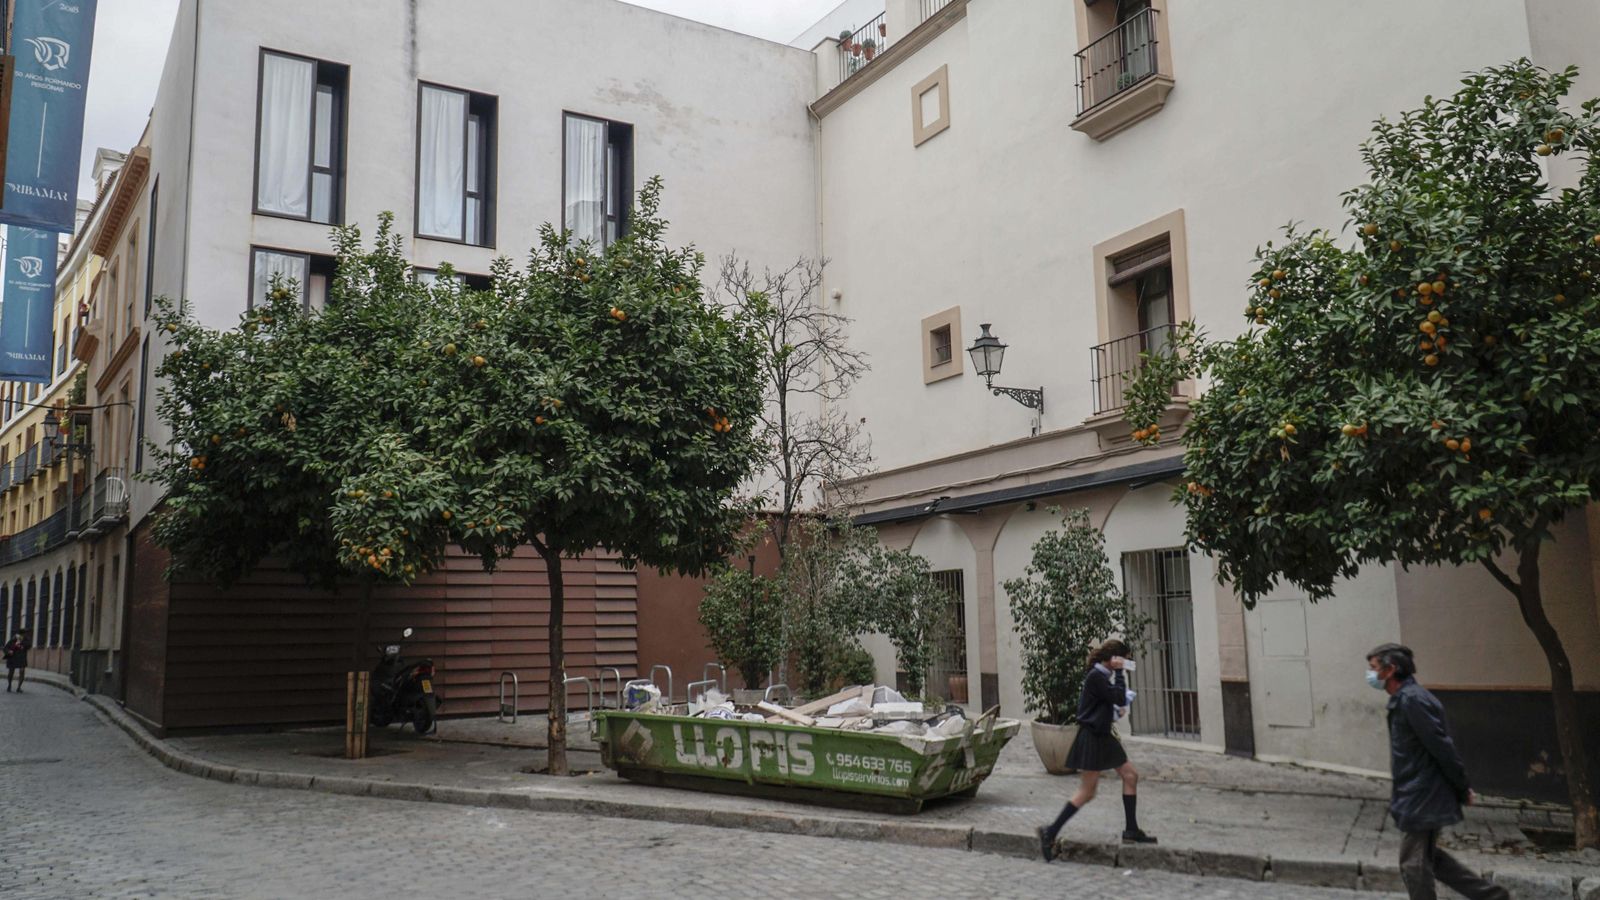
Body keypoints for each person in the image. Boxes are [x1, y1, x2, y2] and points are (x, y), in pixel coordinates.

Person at [1367, 643, 1507, 900]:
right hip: (1417, 792)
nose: (1371, 674)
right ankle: (1492, 896)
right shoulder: (1405, 700)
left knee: (1412, 863)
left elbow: (1442, 748)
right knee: (1432, 859)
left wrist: (1462, 786)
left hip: (1424, 794)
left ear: (1390, 670)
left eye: (1374, 668)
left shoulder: (1412, 701)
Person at [1038, 638, 1156, 861]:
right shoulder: (1097, 676)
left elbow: (1103, 703)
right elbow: (1118, 697)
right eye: (1123, 659)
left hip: (1102, 736)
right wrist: (1120, 675)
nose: (1125, 663)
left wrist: (1112, 711)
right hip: (1093, 739)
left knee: (1130, 776)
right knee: (1087, 791)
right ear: (1113, 659)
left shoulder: (1101, 676)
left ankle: (1131, 830)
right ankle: (1050, 831)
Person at [5, 628, 30, 693]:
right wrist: (9, 651)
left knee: (22, 672)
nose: (23, 635)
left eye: (24, 634)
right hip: (12, 658)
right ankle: (9, 685)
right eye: (22, 634)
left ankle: (19, 687)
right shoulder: (13, 640)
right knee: (11, 672)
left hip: (21, 658)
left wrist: (21, 643)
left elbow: (28, 646)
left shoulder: (26, 640)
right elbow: (6, 648)